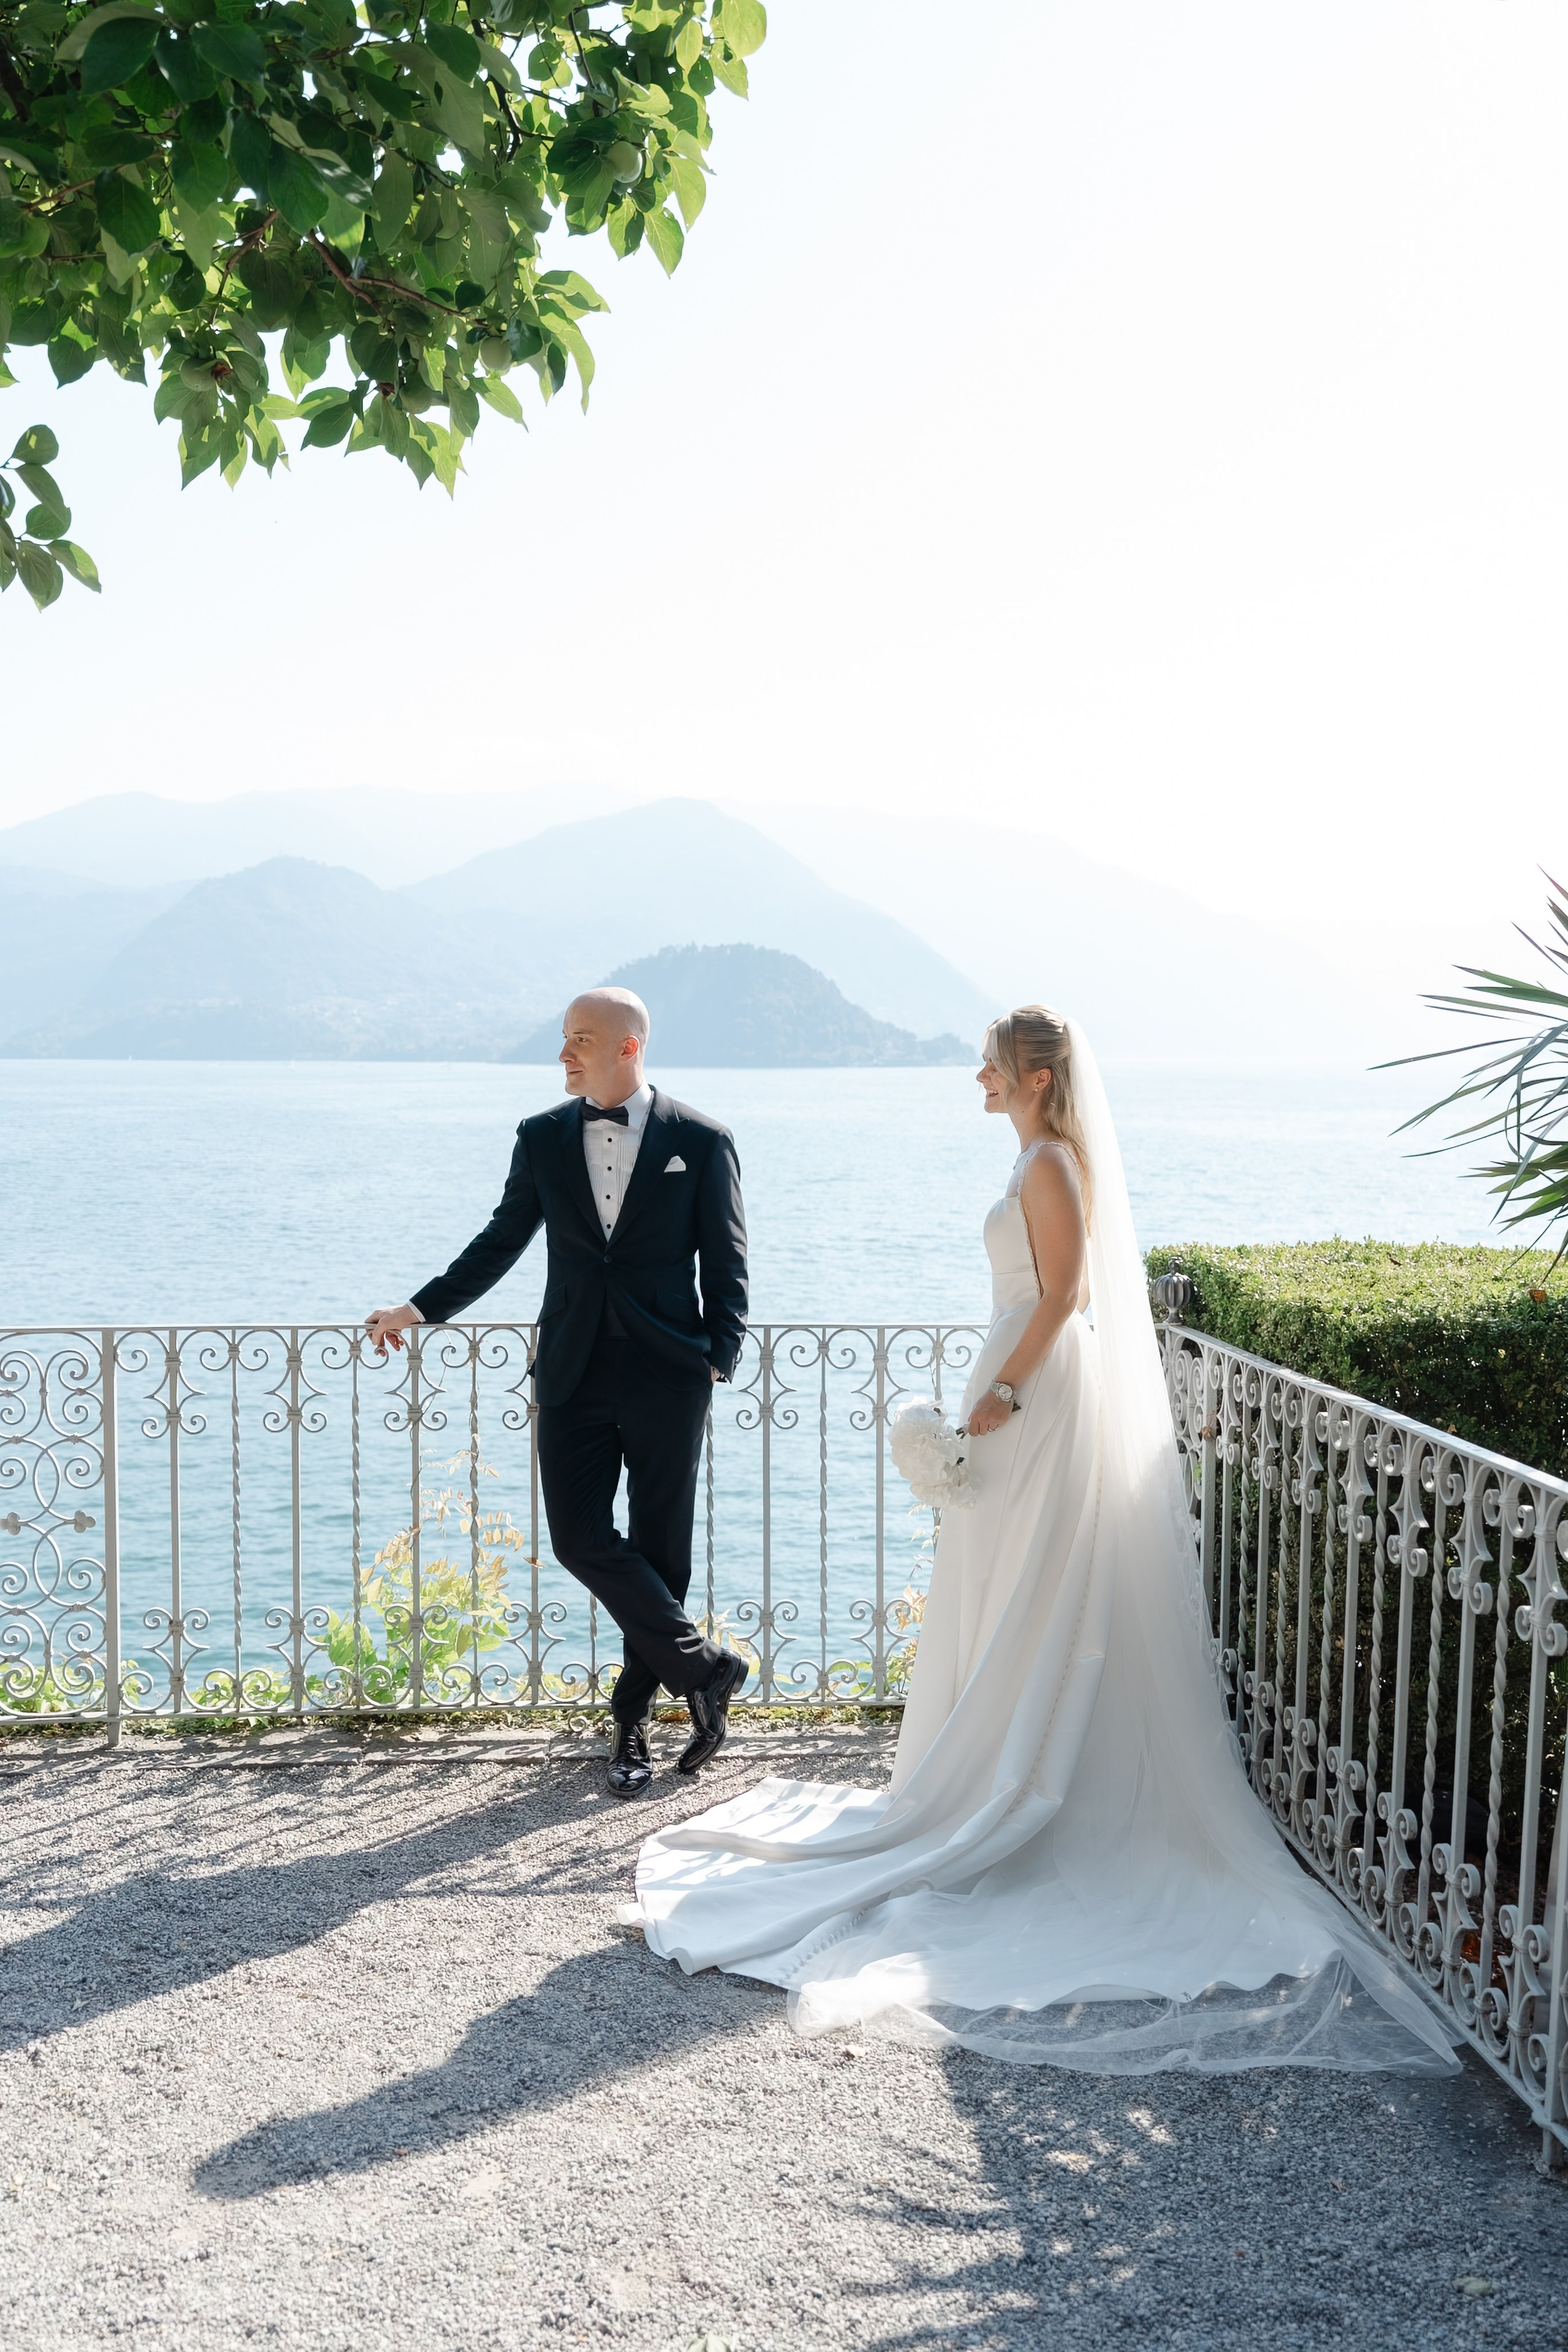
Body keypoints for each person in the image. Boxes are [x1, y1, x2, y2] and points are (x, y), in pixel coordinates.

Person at [622, 1008, 1460, 2076]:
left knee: (1036, 1582)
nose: (976, 1073)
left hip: (1037, 1397)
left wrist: (1007, 1394)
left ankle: (1023, 1778)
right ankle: (985, 1765)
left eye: (989, 1061)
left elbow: (1064, 1294)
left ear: (1029, 1073)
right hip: (1012, 1388)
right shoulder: (1034, 1156)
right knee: (1004, 1578)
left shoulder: (1052, 1164)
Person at [366, 987, 750, 1798]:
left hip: (669, 1374)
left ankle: (632, 1725)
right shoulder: (541, 1137)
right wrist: (418, 1307)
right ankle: (706, 1668)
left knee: (660, 1554)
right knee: (578, 1537)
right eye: (566, 1038)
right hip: (572, 1370)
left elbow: (727, 1259)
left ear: (628, 1048)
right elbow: (502, 1239)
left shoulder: (703, 1141)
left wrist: (718, 1356)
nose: (566, 1053)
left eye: (581, 1039)